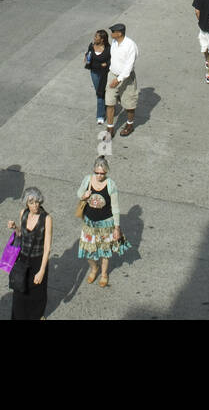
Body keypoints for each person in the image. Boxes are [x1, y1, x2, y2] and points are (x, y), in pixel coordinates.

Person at [78, 158, 131, 287]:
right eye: (97, 172)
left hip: (106, 224)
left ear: (106, 172)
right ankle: (94, 268)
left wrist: (117, 227)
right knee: (89, 251)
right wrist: (84, 195)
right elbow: (79, 193)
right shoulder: (88, 179)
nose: (99, 176)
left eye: (102, 173)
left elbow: (115, 207)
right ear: (93, 171)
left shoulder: (110, 184)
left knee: (105, 252)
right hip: (89, 223)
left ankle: (104, 274)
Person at [6, 187, 53, 320]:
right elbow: (21, 235)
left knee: (37, 295)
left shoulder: (47, 219)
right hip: (23, 258)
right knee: (19, 291)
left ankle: (37, 316)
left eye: (37, 202)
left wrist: (42, 270)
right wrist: (15, 227)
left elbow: (47, 247)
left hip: (38, 260)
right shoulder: (23, 213)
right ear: (26, 203)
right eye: (31, 203)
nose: (35, 205)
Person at [104, 23, 139, 137]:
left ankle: (129, 124)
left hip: (126, 78)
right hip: (112, 75)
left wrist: (118, 79)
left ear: (119, 33)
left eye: (113, 32)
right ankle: (110, 129)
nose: (111, 34)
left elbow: (128, 67)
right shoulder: (114, 42)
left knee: (129, 104)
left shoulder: (130, 46)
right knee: (109, 103)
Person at [85, 28, 111, 124]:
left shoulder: (108, 49)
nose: (94, 38)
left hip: (105, 73)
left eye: (96, 36)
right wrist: (86, 57)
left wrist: (107, 64)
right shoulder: (91, 46)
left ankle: (100, 115)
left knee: (101, 93)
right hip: (94, 73)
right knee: (99, 92)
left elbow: (112, 60)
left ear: (102, 39)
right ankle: (104, 110)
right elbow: (89, 56)